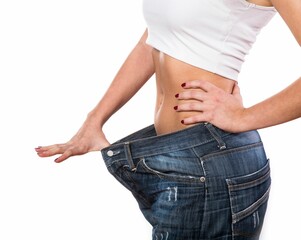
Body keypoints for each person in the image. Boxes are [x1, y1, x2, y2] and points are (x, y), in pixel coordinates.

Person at [35, 0, 301, 239]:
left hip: (212, 160)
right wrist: (95, 119)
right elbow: (155, 38)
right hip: (173, 155)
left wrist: (243, 117)